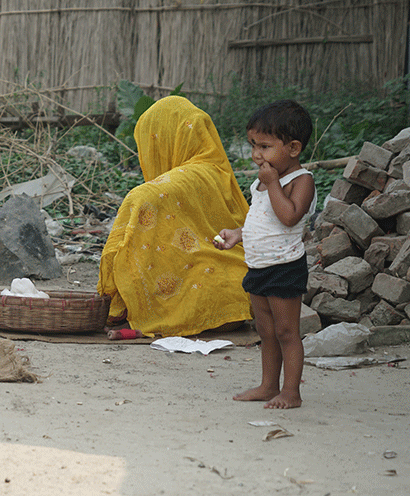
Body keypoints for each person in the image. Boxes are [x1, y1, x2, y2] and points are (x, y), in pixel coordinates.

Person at [97, 96, 253, 338]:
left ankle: (151, 318)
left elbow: (140, 197)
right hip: (238, 291)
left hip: (204, 299)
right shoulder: (217, 170)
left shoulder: (182, 178)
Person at [214, 100, 316, 409]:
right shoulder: (262, 181)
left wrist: (272, 184)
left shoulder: (301, 181)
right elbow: (264, 222)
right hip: (258, 266)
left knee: (287, 331)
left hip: (284, 267)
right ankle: (268, 386)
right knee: (265, 331)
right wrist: (237, 235)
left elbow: (289, 217)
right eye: (253, 145)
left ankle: (291, 392)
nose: (257, 154)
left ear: (294, 148)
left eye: (266, 146)